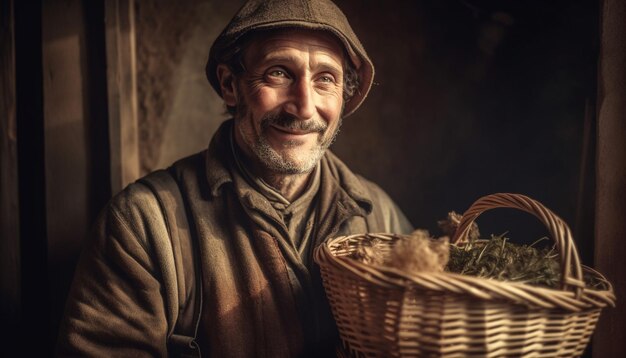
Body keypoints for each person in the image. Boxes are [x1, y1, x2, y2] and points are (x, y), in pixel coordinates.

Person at [57, 0, 412, 356]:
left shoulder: (379, 215)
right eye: (279, 72)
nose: (304, 106)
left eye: (325, 79)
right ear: (230, 85)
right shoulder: (143, 226)